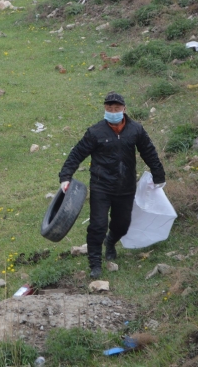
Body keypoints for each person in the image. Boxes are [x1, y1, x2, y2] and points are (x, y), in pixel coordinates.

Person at [58, 92, 165, 279]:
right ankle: (95, 264)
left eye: (116, 109)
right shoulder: (95, 132)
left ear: (124, 109)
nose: (113, 112)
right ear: (105, 109)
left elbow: (149, 151)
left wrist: (158, 174)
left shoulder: (136, 130)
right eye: (109, 108)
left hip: (126, 186)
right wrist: (65, 176)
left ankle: (110, 242)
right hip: (101, 186)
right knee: (97, 225)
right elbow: (77, 154)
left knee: (122, 224)